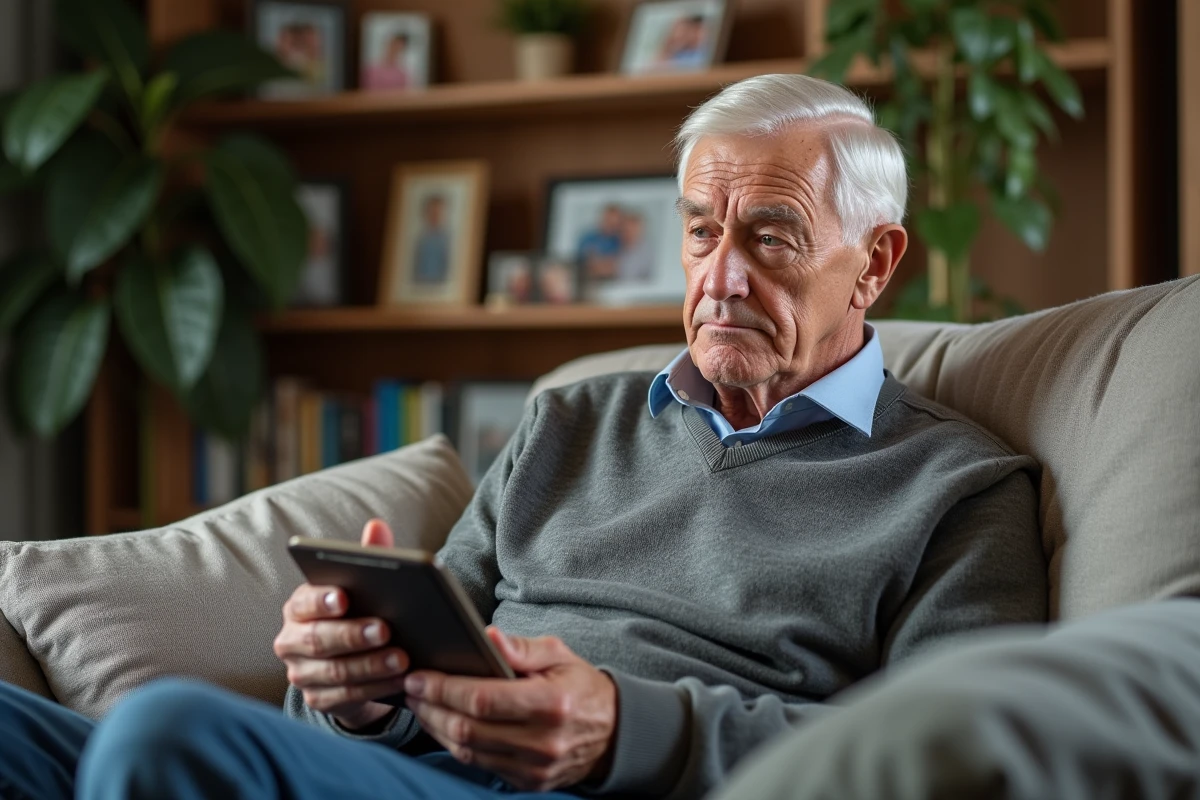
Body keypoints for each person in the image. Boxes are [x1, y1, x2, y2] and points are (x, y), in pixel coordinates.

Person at [0, 73, 1047, 799]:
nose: (721, 276)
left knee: (160, 731)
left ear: (874, 263)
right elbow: (376, 699)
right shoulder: (570, 419)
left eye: (770, 237)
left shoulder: (957, 488)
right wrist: (353, 689)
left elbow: (949, 765)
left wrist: (624, 730)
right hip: (419, 772)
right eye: (699, 231)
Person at [575, 203, 624, 280]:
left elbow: (615, 267)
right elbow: (587, 264)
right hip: (586, 280)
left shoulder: (619, 240)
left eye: (614, 223)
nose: (610, 225)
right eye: (608, 220)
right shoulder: (587, 237)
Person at [412, 194, 451, 285]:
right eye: (432, 213)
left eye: (438, 213)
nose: (435, 217)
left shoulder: (446, 240)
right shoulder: (421, 240)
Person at [615, 210, 654, 282]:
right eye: (624, 230)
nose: (627, 234)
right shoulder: (617, 247)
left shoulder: (649, 254)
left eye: (631, 230)